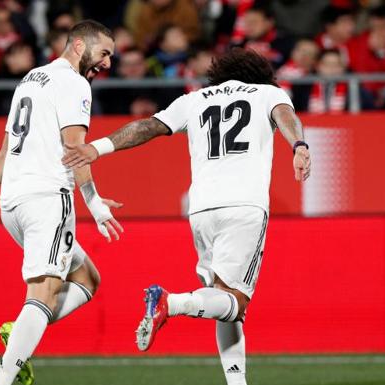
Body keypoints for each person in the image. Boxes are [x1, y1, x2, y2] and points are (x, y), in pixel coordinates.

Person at [62, 48, 311, 385]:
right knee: (235, 303)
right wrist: (298, 145)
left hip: (202, 209)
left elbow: (148, 127)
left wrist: (98, 147)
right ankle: (172, 301)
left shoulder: (194, 99)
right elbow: (286, 116)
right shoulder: (268, 93)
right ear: (260, 74)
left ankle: (237, 382)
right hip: (244, 205)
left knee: (221, 298)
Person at [0, 20, 123, 385]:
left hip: (13, 203)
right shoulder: (74, 83)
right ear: (77, 47)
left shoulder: (31, 79)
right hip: (46, 199)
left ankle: (22, 331)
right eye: (103, 53)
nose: (106, 64)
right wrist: (95, 203)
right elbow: (75, 150)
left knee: (87, 278)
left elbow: (5, 151)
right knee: (43, 293)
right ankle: (4, 375)